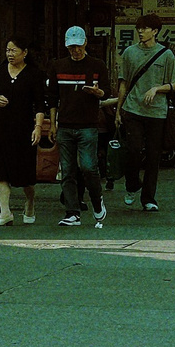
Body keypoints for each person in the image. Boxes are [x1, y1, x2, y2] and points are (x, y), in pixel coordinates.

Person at [0, 37, 53, 226]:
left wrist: (38, 127)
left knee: (25, 177)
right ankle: (5, 212)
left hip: (24, 129)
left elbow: (40, 105)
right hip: (0, 129)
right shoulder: (0, 72)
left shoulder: (34, 74)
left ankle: (30, 202)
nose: (10, 54)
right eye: (8, 50)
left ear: (24, 52)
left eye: (14, 50)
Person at [115, 15, 175, 211]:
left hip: (157, 113)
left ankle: (149, 198)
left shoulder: (166, 55)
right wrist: (118, 111)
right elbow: (123, 84)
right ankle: (132, 184)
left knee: (153, 156)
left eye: (145, 29)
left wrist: (157, 89)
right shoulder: (129, 53)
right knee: (133, 150)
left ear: (155, 31)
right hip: (133, 109)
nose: (141, 32)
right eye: (139, 29)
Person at [50, 25, 111, 228]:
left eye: (78, 46)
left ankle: (96, 201)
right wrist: (53, 124)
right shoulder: (58, 66)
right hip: (65, 125)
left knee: (87, 166)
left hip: (88, 125)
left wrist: (97, 92)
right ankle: (72, 212)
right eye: (71, 47)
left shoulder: (97, 65)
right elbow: (52, 98)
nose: (75, 50)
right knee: (67, 170)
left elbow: (107, 92)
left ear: (85, 43)